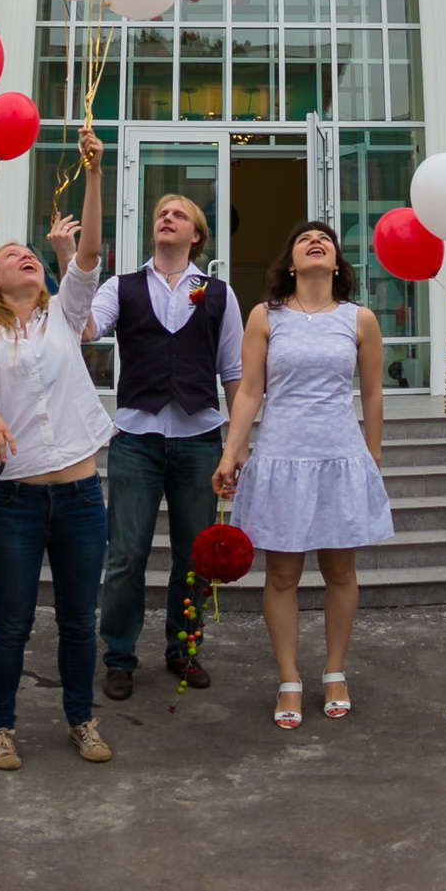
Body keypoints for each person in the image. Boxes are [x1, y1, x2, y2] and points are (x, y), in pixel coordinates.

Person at [0, 129, 111, 771]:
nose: (27, 257)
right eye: (13, 255)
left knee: (76, 621)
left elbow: (88, 254)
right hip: (13, 501)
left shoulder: (65, 315)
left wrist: (95, 175)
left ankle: (81, 719)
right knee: (12, 622)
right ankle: (2, 728)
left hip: (81, 497)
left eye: (32, 252)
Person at [215, 219, 392, 729]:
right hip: (280, 458)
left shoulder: (359, 319)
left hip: (339, 457)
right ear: (290, 263)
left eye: (325, 239)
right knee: (282, 575)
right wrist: (231, 452)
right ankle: (289, 676)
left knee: (340, 571)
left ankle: (334, 670)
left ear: (337, 263)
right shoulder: (265, 316)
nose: (316, 242)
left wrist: (372, 457)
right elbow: (249, 390)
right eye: (303, 239)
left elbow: (374, 392)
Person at [89, 182, 244, 701]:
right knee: (126, 554)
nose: (167, 218)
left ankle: (184, 649)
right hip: (136, 438)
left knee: (194, 556)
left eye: (179, 214)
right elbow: (85, 329)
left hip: (200, 439)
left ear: (195, 234)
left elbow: (235, 373)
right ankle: (118, 655)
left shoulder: (218, 292)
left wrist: (235, 445)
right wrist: (71, 263)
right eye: (161, 213)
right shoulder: (122, 286)